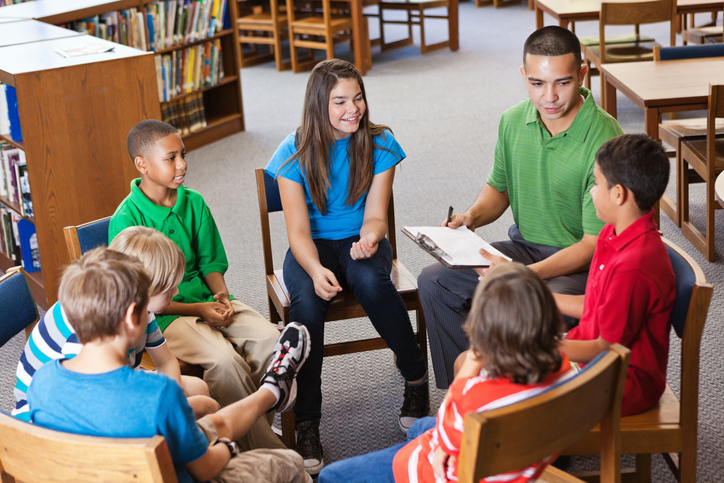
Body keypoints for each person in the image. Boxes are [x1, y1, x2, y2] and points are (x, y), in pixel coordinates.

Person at [418, 25, 624, 389]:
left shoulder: (605, 137)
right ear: (523, 76)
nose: (549, 97)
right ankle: (467, 396)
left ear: (582, 74)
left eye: (562, 82)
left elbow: (592, 244)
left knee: (536, 311)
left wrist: (523, 277)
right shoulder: (513, 120)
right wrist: (471, 217)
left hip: (579, 262)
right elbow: (499, 189)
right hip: (524, 248)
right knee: (435, 282)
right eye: (537, 83)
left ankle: (532, 417)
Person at [265, 59, 428, 474]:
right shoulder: (293, 152)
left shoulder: (381, 144)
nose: (352, 108)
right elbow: (298, 232)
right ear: (319, 105)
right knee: (305, 303)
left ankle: (414, 378)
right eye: (339, 101)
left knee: (372, 284)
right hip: (311, 246)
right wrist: (315, 269)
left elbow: (375, 214)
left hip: (360, 237)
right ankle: (306, 421)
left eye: (357, 97)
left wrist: (371, 238)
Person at [26, 247, 312, 483]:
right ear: (131, 317)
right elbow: (206, 468)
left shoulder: (43, 380)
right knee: (288, 462)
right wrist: (227, 448)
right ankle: (272, 391)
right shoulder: (159, 393)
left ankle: (271, 391)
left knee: (210, 417)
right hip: (176, 472)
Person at [109, 119, 284, 451]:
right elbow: (142, 298)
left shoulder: (195, 202)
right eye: (171, 158)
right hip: (166, 314)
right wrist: (199, 309)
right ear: (142, 165)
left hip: (207, 296)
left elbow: (210, 262)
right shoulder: (126, 219)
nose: (183, 164)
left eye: (183, 155)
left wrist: (220, 295)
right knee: (225, 361)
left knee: (270, 341)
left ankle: (248, 430)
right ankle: (263, 448)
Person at [317, 263, 574, 483]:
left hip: (445, 470)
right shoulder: (562, 366)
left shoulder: (473, 396)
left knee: (331, 476)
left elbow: (445, 431)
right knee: (419, 427)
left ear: (482, 332)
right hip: (516, 464)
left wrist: (472, 364)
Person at [12, 226, 215, 421]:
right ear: (145, 289)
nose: (177, 293)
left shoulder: (140, 310)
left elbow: (166, 361)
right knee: (196, 410)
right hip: (62, 409)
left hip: (109, 382)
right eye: (170, 289)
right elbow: (93, 403)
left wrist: (171, 401)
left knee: (198, 390)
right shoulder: (85, 331)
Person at [554, 133, 676, 416]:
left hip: (622, 381)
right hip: (594, 357)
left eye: (595, 184)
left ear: (618, 194)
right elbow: (596, 305)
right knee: (481, 368)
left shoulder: (635, 265)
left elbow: (606, 348)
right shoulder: (613, 231)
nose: (591, 192)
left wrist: (541, 347)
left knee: (502, 392)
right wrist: (540, 295)